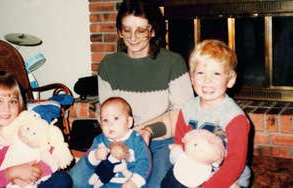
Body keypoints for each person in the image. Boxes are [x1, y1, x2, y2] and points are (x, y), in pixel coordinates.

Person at [70, 0, 194, 187]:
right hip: (116, 139)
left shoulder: (173, 63)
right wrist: (112, 141)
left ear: (152, 31)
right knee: (76, 181)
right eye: (127, 30)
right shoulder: (108, 65)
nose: (133, 37)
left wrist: (149, 131)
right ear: (120, 31)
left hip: (159, 142)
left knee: (150, 184)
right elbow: (106, 111)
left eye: (141, 30)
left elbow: (183, 116)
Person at [161, 39, 251, 188]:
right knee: (168, 183)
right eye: (201, 73)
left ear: (230, 80)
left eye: (216, 73)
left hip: (227, 175)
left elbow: (236, 162)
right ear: (192, 78)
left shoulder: (235, 118)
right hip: (194, 168)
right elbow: (180, 143)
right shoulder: (187, 109)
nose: (207, 80)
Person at [0, 71, 72, 188]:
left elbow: (49, 151)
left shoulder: (24, 124)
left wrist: (36, 170)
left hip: (32, 180)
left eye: (12, 101)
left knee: (62, 179)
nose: (7, 108)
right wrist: (12, 174)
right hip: (0, 184)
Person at [74, 97, 151, 188]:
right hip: (105, 183)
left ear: (129, 122)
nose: (110, 124)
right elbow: (89, 160)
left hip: (129, 182)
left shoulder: (136, 140)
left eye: (116, 118)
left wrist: (135, 182)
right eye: (105, 120)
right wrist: (95, 155)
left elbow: (145, 163)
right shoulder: (99, 140)